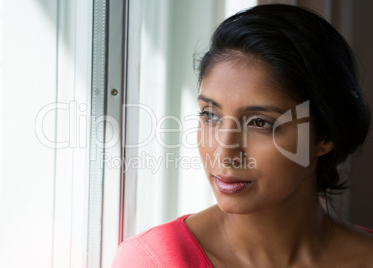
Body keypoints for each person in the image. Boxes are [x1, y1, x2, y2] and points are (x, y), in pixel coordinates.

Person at [112, 4, 373, 267]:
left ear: (325, 136)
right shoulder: (154, 260)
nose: (224, 153)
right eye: (210, 115)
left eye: (259, 122)